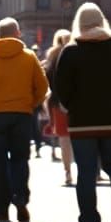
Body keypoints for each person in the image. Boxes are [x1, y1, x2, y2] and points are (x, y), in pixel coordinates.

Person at [54, 3, 111, 222]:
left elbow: (61, 87)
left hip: (83, 122)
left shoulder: (70, 52)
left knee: (86, 172)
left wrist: (71, 106)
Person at [0, 17, 49, 222]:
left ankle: (1, 208)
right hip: (22, 115)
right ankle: (21, 199)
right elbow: (42, 86)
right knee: (20, 159)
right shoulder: (29, 57)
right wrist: (31, 103)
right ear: (18, 33)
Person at [43, 29, 74, 185]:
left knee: (64, 140)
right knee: (83, 138)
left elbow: (47, 76)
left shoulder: (52, 55)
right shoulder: (76, 52)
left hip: (57, 101)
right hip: (77, 103)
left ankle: (68, 172)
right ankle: (91, 171)